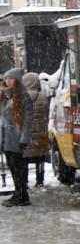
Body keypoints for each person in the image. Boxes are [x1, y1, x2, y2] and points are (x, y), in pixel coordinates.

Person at [1, 68, 34, 206]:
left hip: (17, 137)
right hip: (8, 137)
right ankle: (18, 193)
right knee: (12, 166)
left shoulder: (23, 97)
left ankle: (23, 196)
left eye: (11, 78)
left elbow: (28, 120)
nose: (8, 81)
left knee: (18, 167)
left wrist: (24, 138)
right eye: (6, 78)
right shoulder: (9, 97)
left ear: (17, 81)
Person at [22, 72, 49, 187]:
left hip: (26, 135)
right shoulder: (43, 97)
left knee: (24, 159)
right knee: (40, 159)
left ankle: (25, 180)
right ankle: (40, 180)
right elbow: (46, 115)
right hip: (41, 134)